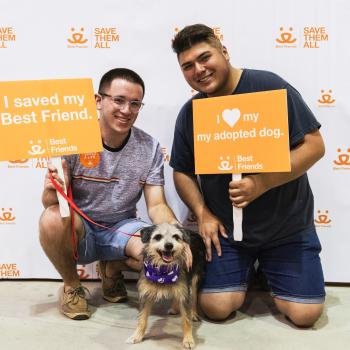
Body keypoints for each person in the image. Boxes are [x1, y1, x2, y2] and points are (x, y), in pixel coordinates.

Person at [170, 24, 325, 327]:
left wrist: (261, 182)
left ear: (224, 52)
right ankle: (247, 269)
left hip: (288, 229)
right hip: (228, 235)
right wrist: (202, 213)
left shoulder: (269, 87)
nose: (199, 70)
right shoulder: (191, 112)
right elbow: (182, 171)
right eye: (188, 66)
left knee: (305, 315)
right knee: (215, 308)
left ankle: (269, 268)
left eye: (205, 58)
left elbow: (314, 147)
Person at [39, 68, 180, 320]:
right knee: (50, 218)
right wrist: (53, 189)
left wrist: (176, 231)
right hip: (82, 230)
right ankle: (72, 286)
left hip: (122, 229)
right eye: (119, 100)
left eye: (135, 103)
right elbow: (52, 205)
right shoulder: (70, 140)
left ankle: (112, 267)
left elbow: (157, 204)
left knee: (160, 252)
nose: (126, 110)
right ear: (98, 100)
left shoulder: (149, 147)